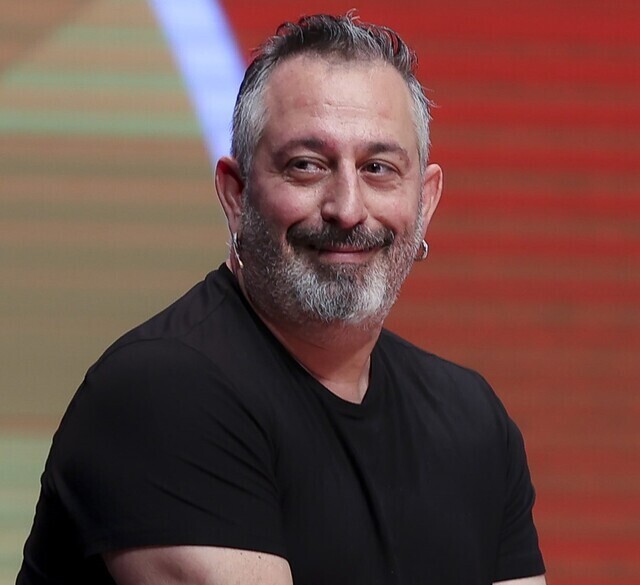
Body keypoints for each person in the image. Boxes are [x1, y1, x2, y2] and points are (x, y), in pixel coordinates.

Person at [17, 13, 546, 585]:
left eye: (378, 169)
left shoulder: (473, 422)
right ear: (235, 195)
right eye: (307, 166)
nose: (347, 209)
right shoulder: (160, 392)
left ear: (426, 203)